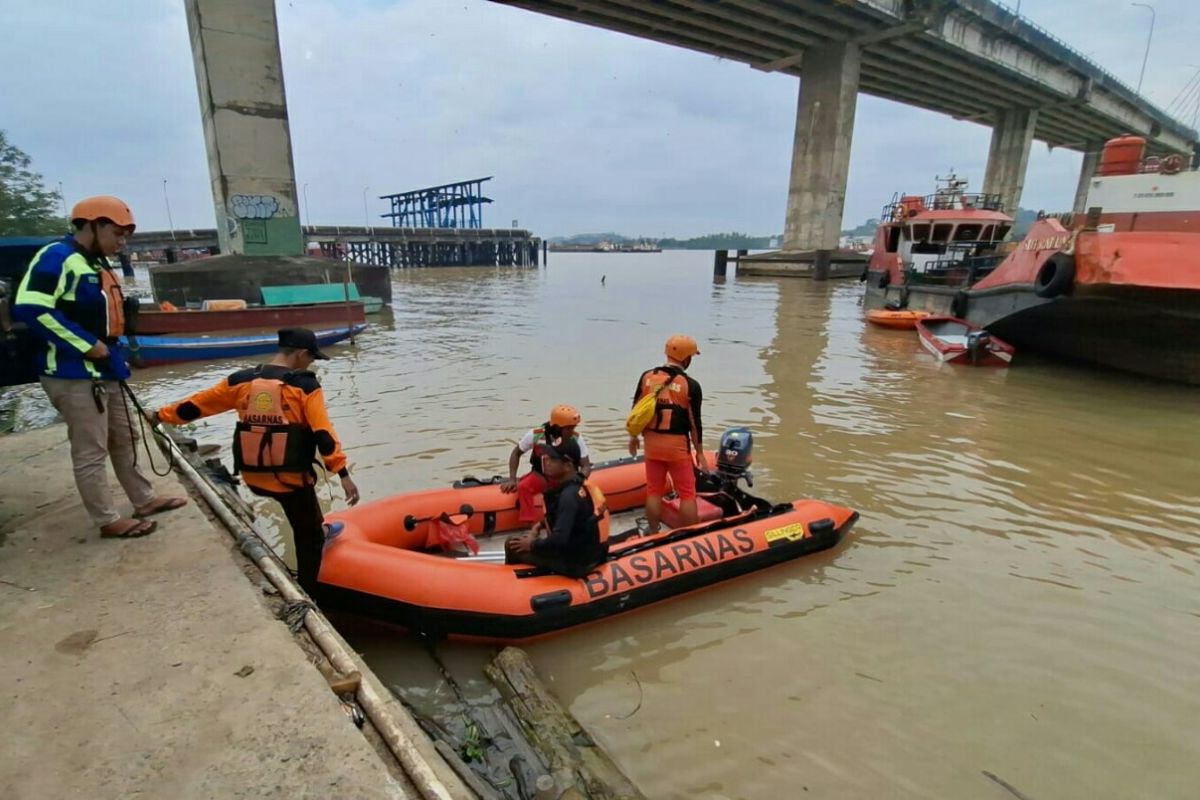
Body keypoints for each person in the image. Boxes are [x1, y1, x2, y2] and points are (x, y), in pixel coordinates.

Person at [12, 195, 187, 539]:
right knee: (91, 448)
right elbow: (31, 308)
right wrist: (86, 345)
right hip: (71, 373)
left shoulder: (95, 263)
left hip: (106, 369)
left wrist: (110, 355)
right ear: (94, 226)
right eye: (118, 233)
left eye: (126, 236)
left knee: (125, 436)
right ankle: (107, 519)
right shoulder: (56, 258)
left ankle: (144, 498)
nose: (121, 242)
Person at [149, 328, 360, 592]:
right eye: (311, 358)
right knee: (308, 537)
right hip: (290, 478)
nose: (311, 363)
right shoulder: (305, 386)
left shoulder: (241, 381)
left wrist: (159, 415)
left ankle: (317, 529)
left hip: (254, 476)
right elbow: (323, 435)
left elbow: (196, 405)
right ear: (301, 354)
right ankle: (310, 593)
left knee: (301, 509)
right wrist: (343, 474)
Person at [628, 333, 709, 533]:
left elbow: (636, 409)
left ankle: (653, 531)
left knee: (654, 491)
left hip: (651, 443)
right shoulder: (690, 385)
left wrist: (633, 437)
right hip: (677, 447)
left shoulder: (647, 377)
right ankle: (692, 535)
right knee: (688, 494)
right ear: (687, 358)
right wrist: (699, 452)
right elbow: (694, 423)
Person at [505, 438, 608, 578]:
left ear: (567, 465)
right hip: (590, 552)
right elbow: (574, 519)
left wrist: (532, 544)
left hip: (575, 564)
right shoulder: (579, 483)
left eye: (552, 459)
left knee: (511, 544)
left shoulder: (568, 496)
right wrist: (539, 525)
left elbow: (559, 540)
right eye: (546, 457)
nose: (545, 461)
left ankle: (512, 584)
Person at [499, 404, 592, 523]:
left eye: (573, 427)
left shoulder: (576, 438)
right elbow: (516, 453)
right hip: (541, 476)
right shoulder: (536, 434)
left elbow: (586, 465)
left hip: (565, 478)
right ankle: (530, 524)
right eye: (569, 428)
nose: (572, 431)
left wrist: (578, 481)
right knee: (523, 487)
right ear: (557, 427)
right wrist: (512, 478)